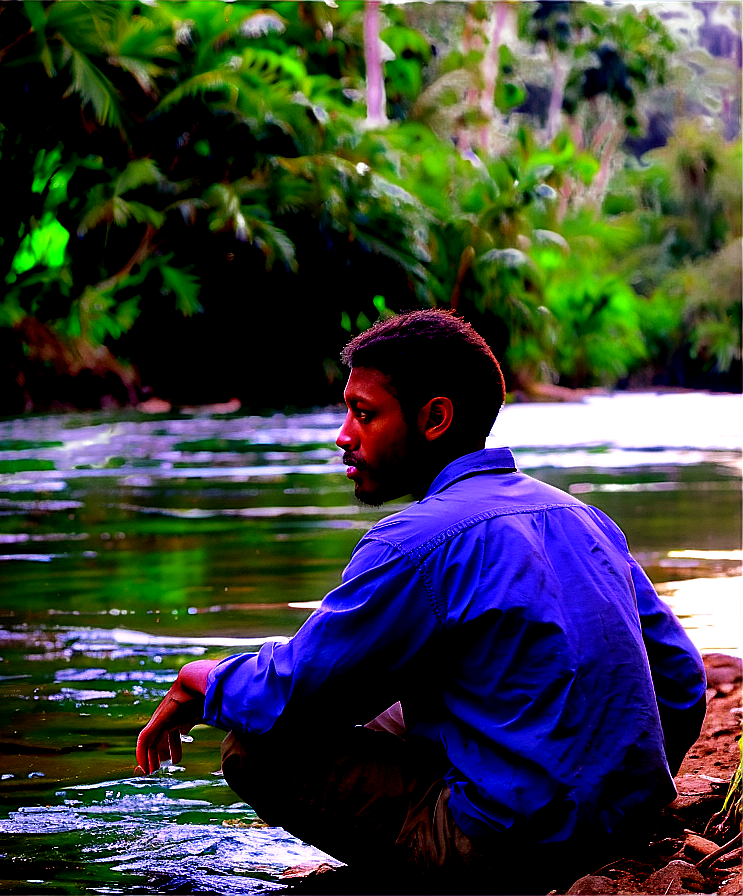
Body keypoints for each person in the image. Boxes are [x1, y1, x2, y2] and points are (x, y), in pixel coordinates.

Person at [135, 309, 707, 893]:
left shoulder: (414, 541)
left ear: (434, 419)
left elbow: (296, 691)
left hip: (502, 849)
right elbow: (683, 682)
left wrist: (198, 681)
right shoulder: (582, 517)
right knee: (393, 700)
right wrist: (619, 792)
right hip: (625, 829)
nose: (343, 435)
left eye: (364, 413)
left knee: (256, 743)